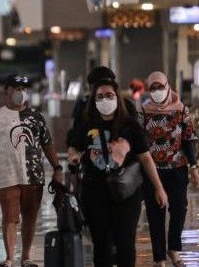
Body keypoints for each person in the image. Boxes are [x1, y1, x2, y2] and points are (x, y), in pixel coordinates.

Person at [69, 78, 168, 267]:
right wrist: (74, 156)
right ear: (94, 101)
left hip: (126, 194)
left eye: (109, 95)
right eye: (100, 97)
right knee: (101, 244)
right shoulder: (86, 126)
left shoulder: (130, 126)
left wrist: (158, 188)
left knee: (125, 243)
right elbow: (74, 148)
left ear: (117, 98)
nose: (105, 100)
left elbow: (146, 158)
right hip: (94, 193)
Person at [0, 74, 63, 267]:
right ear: (7, 90)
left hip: (34, 175)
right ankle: (9, 258)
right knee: (10, 217)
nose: (20, 92)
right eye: (15, 88)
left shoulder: (36, 117)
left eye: (23, 88)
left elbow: (47, 145)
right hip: (7, 175)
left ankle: (26, 257)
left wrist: (57, 168)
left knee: (30, 217)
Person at [141, 72, 199, 267]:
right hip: (152, 171)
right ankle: (159, 258)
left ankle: (173, 250)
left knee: (179, 210)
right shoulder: (143, 112)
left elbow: (189, 139)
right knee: (155, 214)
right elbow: (138, 143)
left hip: (177, 168)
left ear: (168, 86)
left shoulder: (181, 109)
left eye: (160, 87)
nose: (157, 91)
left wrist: (194, 166)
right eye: (153, 88)